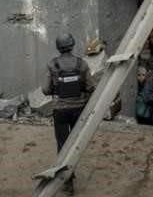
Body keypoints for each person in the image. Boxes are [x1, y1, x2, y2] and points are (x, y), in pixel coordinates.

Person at [42, 33, 94, 195]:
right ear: (72, 45)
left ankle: (67, 181)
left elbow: (45, 90)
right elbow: (90, 87)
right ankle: (71, 172)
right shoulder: (82, 64)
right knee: (75, 144)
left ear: (58, 47)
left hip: (60, 110)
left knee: (63, 145)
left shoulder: (52, 65)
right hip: (79, 109)